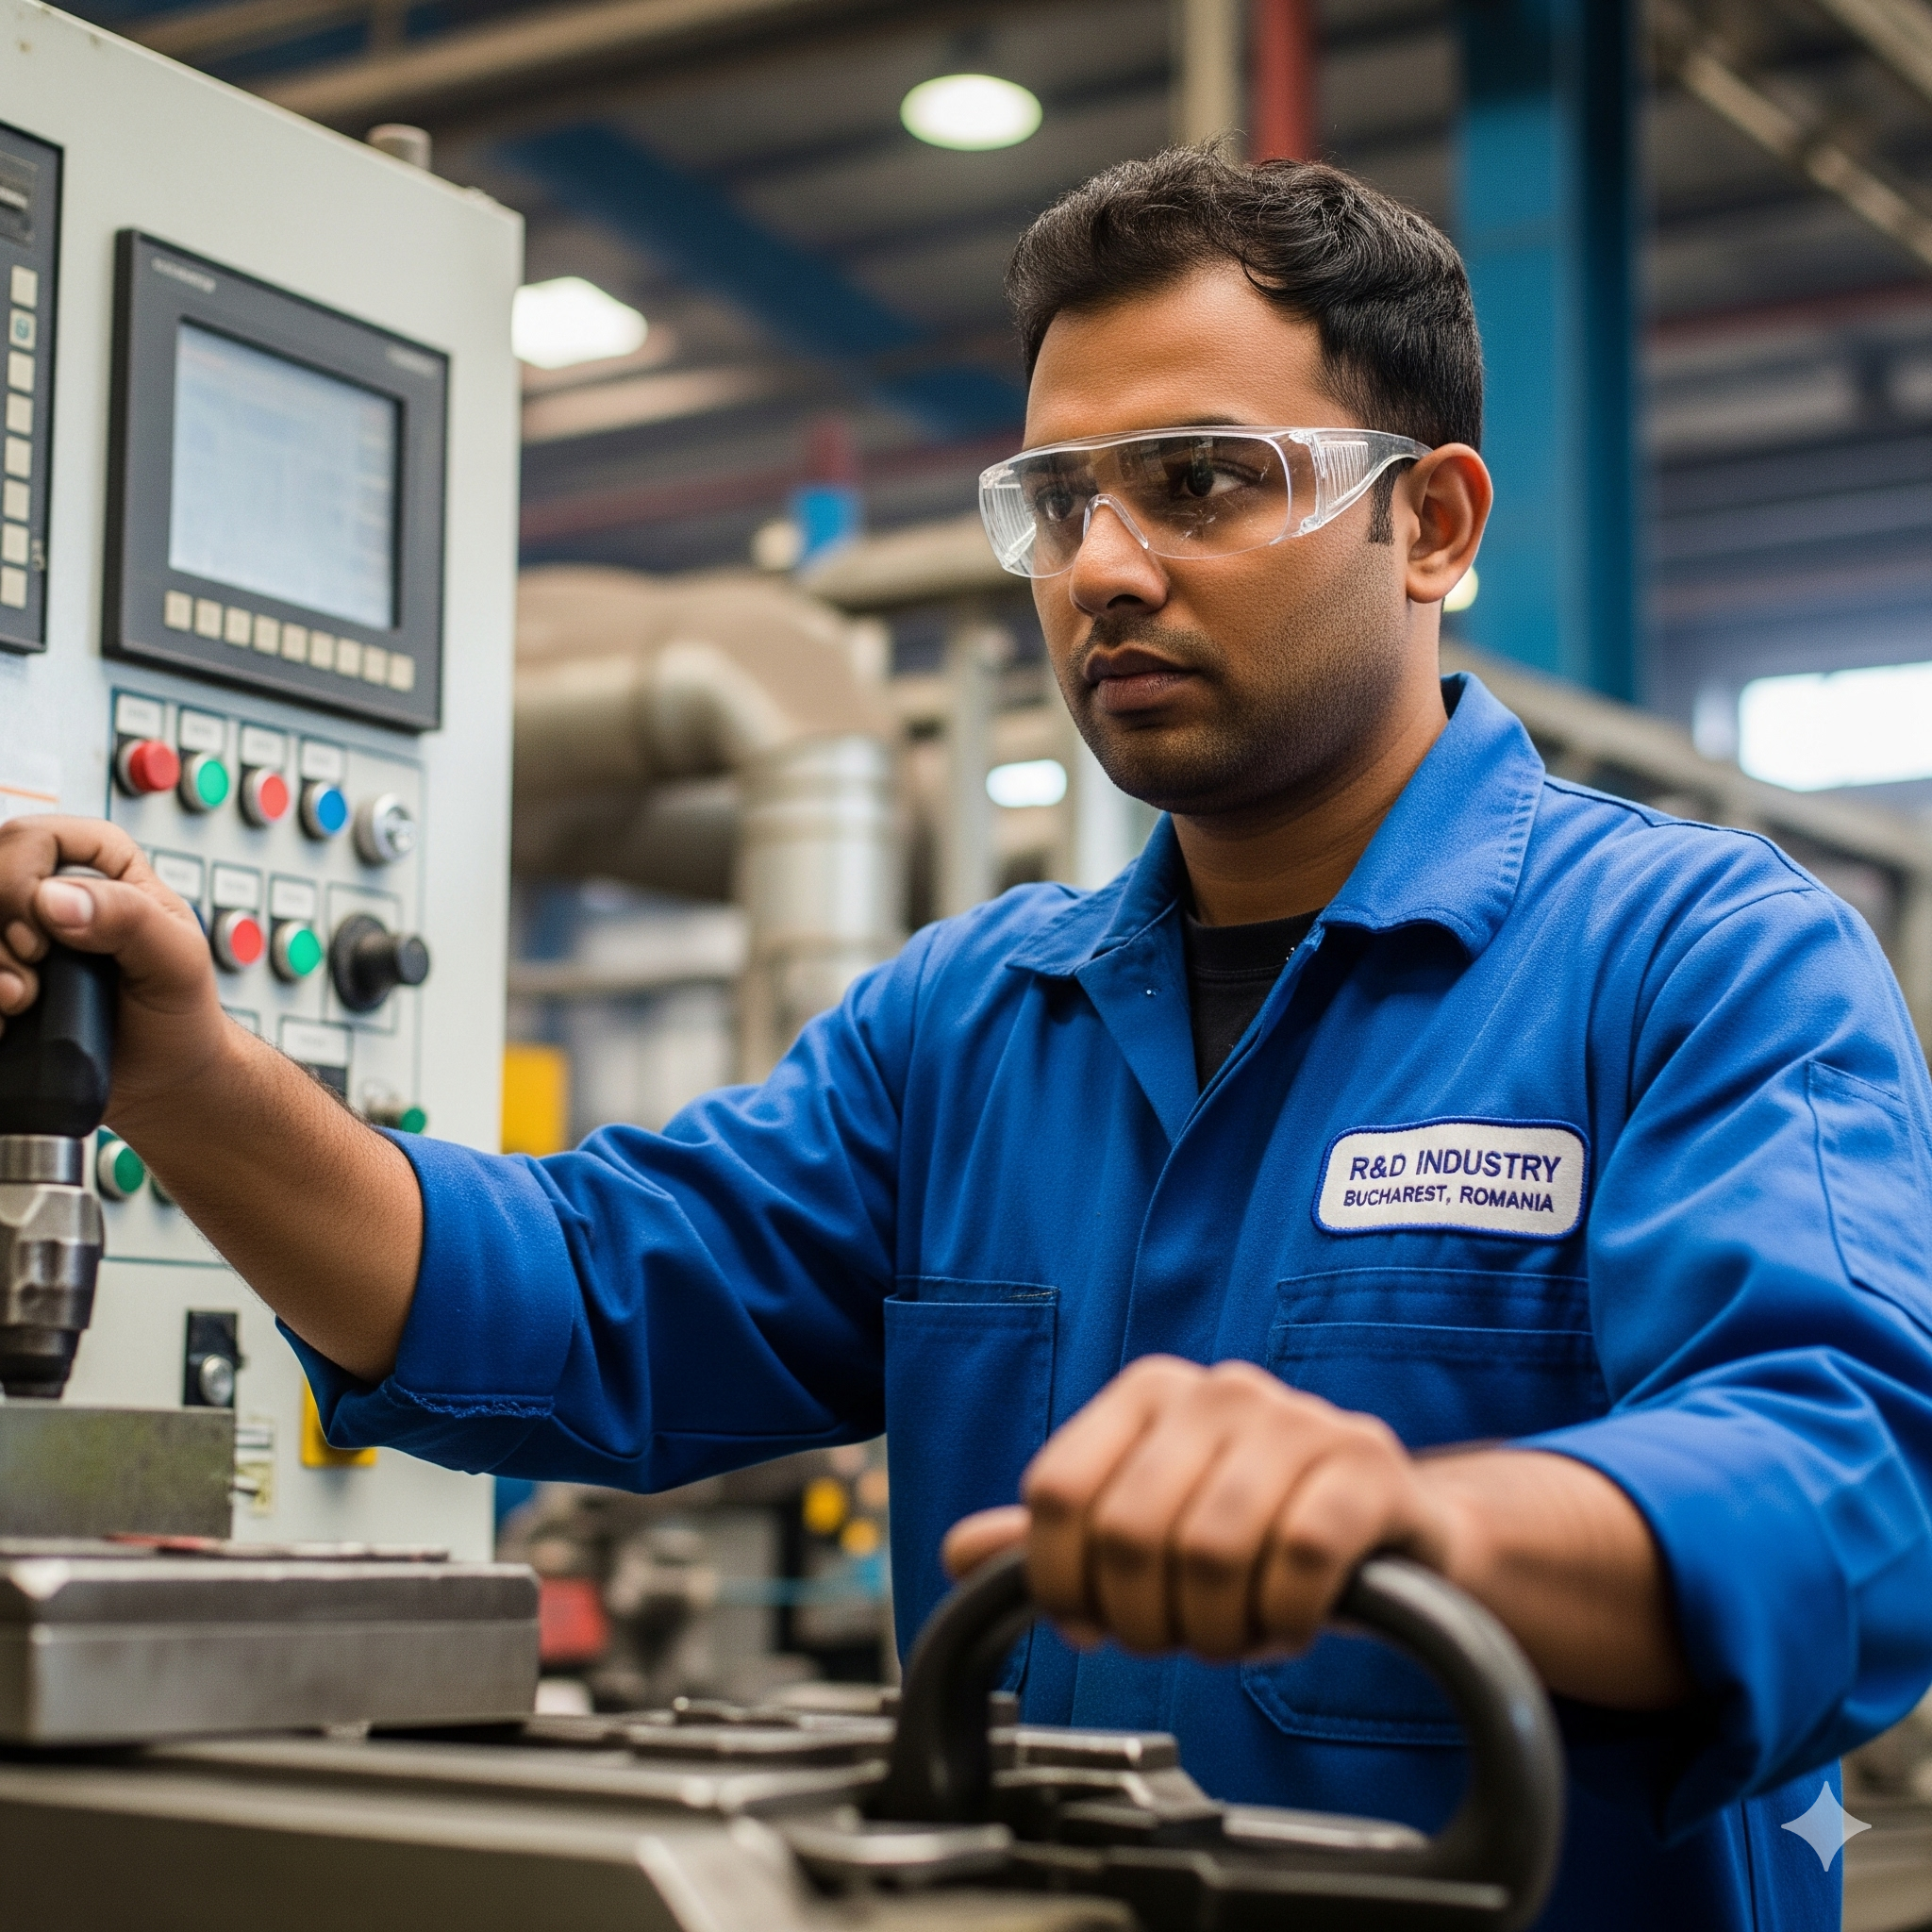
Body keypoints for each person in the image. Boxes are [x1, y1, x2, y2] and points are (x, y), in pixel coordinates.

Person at [2, 148, 1928, 1930]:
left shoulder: (1688, 959)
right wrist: (182, 1066)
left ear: (1427, 521)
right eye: (1060, 502)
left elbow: (1849, 1490)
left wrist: (1407, 1521)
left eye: (1196, 480)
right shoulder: (970, 1023)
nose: (1099, 565)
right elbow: (570, 1298)